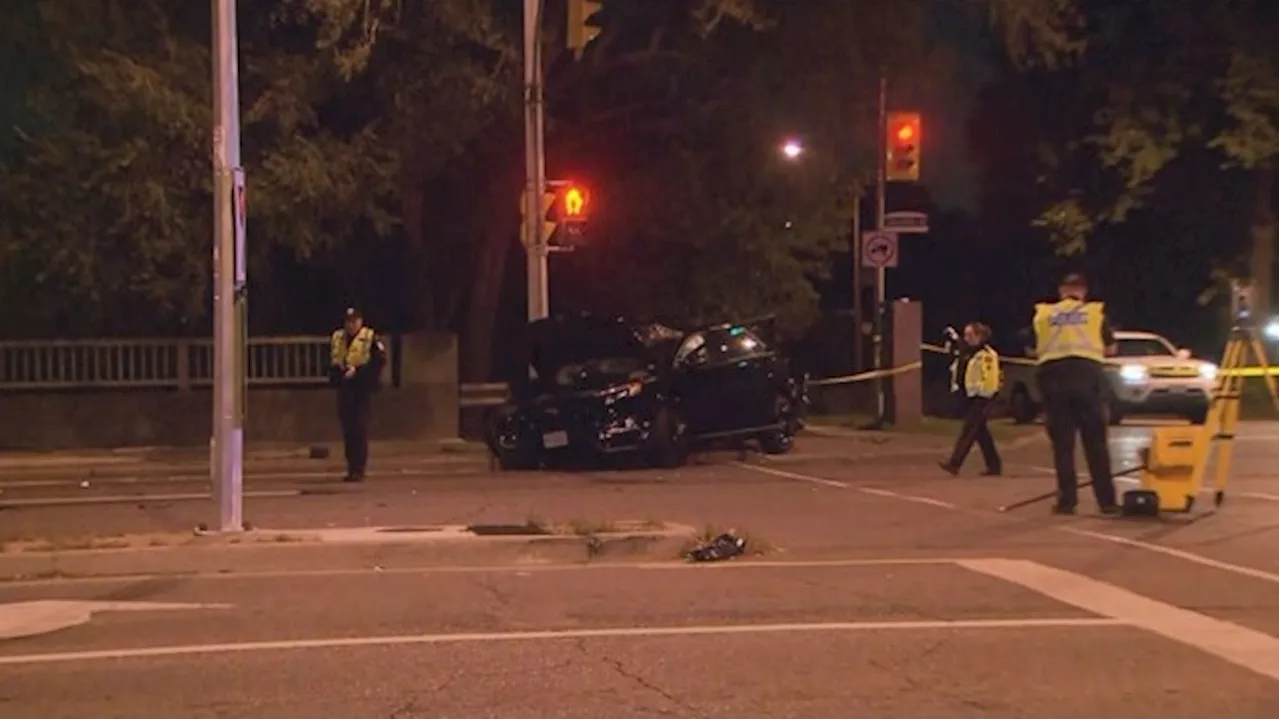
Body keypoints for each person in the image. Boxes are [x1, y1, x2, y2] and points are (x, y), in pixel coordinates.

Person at [1024, 273, 1120, 515]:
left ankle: (1067, 501)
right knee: (1096, 444)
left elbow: (1030, 348)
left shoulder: (1044, 314)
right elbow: (1110, 348)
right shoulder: (1094, 314)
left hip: (1054, 382)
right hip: (1088, 380)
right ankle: (1106, 502)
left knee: (1063, 446)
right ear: (1083, 292)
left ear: (1061, 291)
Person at [939, 322, 1003, 476]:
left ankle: (955, 463)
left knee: (969, 430)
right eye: (965, 334)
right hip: (970, 397)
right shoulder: (968, 351)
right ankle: (994, 466)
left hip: (982, 398)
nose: (966, 337)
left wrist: (984, 395)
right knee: (981, 432)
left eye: (970, 335)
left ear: (979, 337)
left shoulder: (987, 354)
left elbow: (990, 378)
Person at [329, 307, 385, 482]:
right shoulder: (338, 338)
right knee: (348, 429)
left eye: (354, 321)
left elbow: (379, 362)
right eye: (348, 321)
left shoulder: (370, 337)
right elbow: (332, 361)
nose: (350, 325)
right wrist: (338, 374)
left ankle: (358, 468)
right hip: (345, 388)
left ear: (360, 321)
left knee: (359, 428)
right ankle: (351, 466)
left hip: (361, 389)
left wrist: (358, 372)